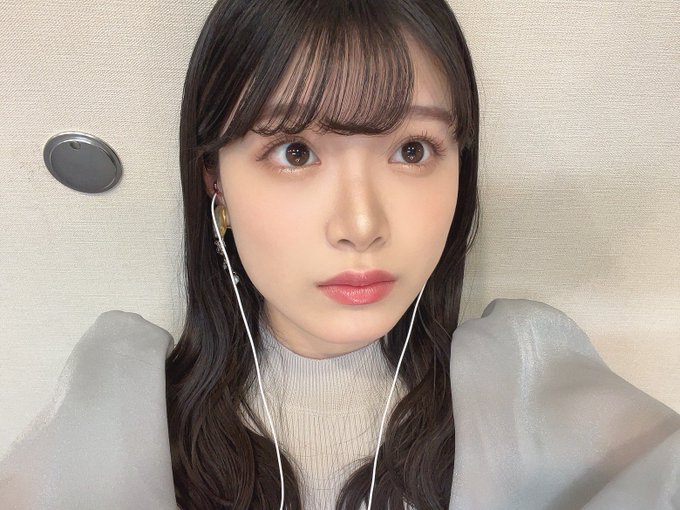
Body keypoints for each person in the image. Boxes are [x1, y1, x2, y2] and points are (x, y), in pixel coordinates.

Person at [1, 0, 678, 509]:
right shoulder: (119, 423)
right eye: (296, 152)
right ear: (215, 178)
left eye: (412, 150)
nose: (362, 225)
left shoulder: (529, 393)